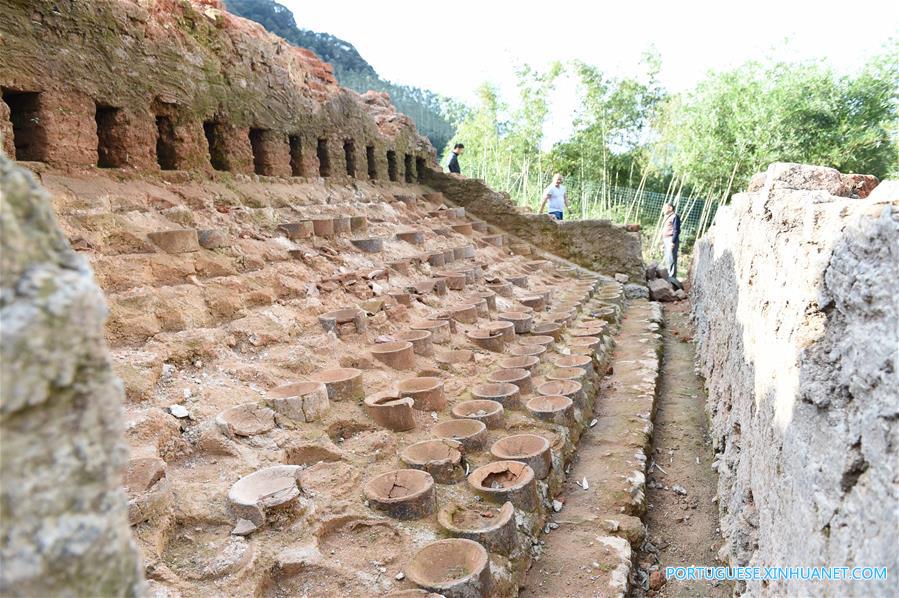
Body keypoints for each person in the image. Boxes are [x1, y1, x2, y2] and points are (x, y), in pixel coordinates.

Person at [661, 202, 681, 279]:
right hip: (666, 239)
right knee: (668, 258)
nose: (663, 210)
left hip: (671, 239)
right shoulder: (668, 217)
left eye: (665, 208)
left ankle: (672, 277)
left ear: (670, 208)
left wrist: (673, 242)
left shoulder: (674, 217)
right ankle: (669, 276)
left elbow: (676, 230)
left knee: (671, 259)